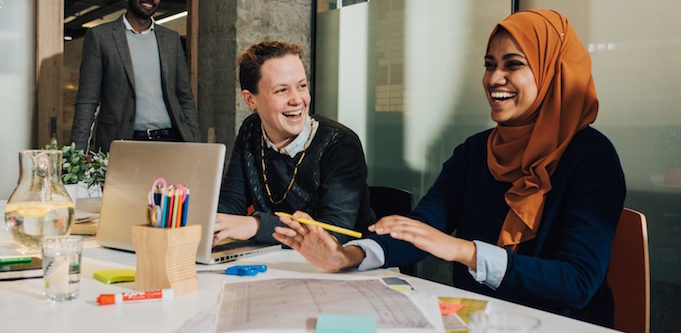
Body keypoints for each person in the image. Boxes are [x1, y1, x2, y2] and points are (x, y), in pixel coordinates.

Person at [273, 9, 625, 328]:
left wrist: (462, 250)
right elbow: (424, 227)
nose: (494, 78)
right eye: (490, 65)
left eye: (513, 65)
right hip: (477, 319)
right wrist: (345, 256)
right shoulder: (476, 151)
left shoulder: (592, 158)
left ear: (552, 73)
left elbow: (577, 283)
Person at [213, 40, 375, 245]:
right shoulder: (251, 130)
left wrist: (256, 225)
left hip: (347, 266)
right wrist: (203, 218)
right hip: (278, 258)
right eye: (282, 90)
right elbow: (232, 203)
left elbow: (336, 233)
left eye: (302, 86)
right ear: (250, 100)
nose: (297, 99)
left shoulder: (340, 143)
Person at [70, 0, 200, 153]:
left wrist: (194, 142)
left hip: (170, 140)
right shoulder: (100, 37)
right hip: (123, 142)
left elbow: (184, 97)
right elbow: (87, 101)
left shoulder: (171, 39)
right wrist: (76, 156)